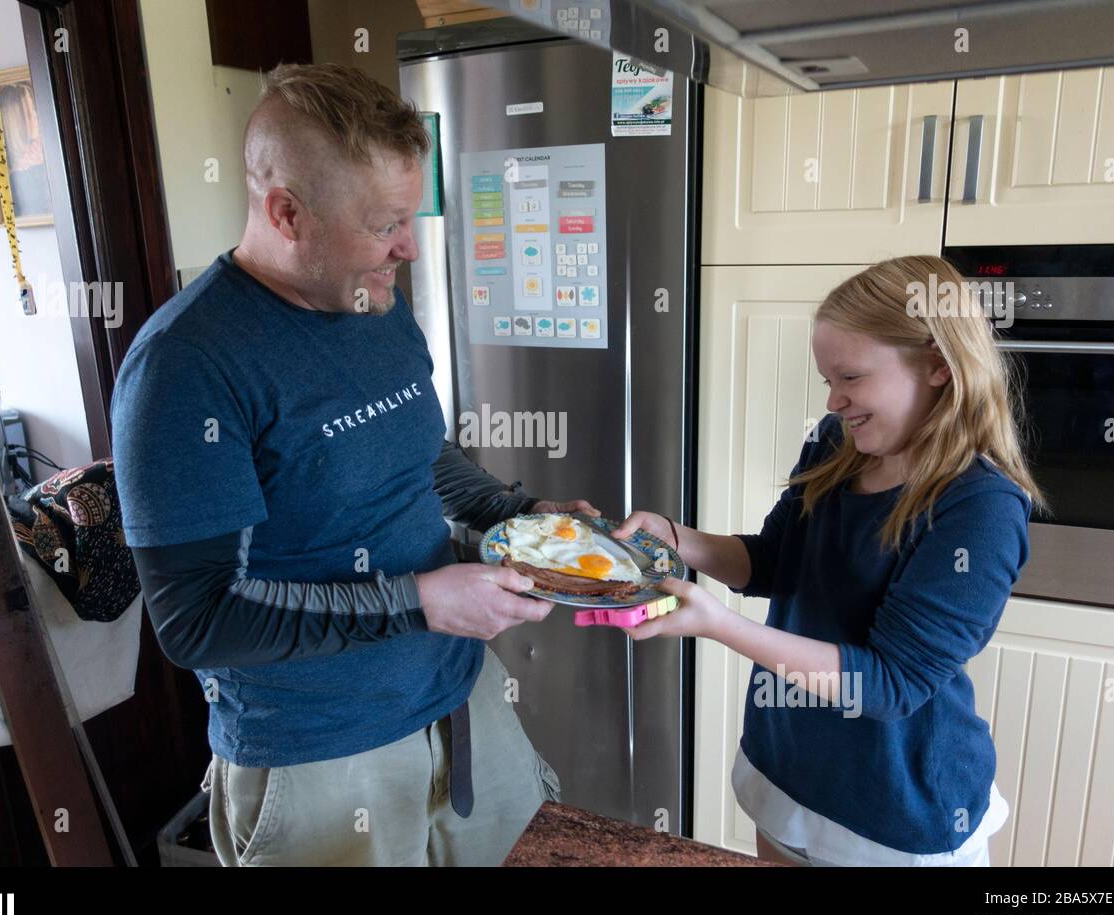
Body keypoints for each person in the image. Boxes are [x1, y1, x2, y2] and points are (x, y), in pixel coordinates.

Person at [111, 63, 596, 866]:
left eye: (410, 217)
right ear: (286, 213)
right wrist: (421, 603)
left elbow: (416, 451)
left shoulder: (372, 296)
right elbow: (196, 619)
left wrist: (518, 516)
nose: (409, 245)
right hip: (319, 754)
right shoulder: (185, 367)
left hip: (459, 698)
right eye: (385, 225)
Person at [614, 255, 1042, 866]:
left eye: (851, 378)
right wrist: (676, 540)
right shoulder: (837, 443)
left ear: (939, 369)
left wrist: (717, 625)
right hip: (790, 768)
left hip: (896, 810)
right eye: (827, 381)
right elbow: (773, 563)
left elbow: (890, 684)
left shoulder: (981, 507)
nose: (835, 401)